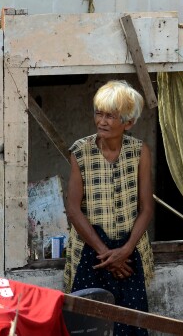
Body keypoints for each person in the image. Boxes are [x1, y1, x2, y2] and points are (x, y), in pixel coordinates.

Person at [64, 80, 155, 336]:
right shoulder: (80, 152)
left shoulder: (139, 152)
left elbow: (146, 208)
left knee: (131, 325)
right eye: (99, 113)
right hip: (91, 253)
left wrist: (125, 250)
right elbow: (73, 209)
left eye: (110, 116)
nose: (102, 121)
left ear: (128, 123)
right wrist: (107, 255)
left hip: (130, 250)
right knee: (88, 326)